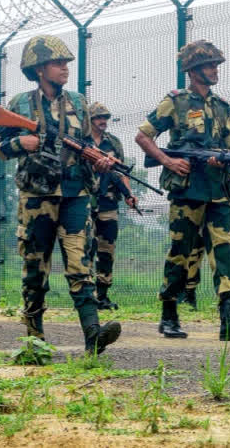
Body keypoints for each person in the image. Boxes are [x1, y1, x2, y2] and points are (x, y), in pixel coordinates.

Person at [0, 34, 121, 356]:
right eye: (58, 63)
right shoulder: (19, 105)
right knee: (36, 269)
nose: (65, 68)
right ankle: (34, 341)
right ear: (38, 69)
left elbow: (86, 144)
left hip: (75, 195)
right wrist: (20, 144)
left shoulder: (79, 103)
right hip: (37, 198)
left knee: (80, 265)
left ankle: (93, 334)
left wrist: (101, 160)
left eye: (66, 63)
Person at [136, 40, 230, 341]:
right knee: (180, 253)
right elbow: (143, 136)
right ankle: (169, 314)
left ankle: (229, 318)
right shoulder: (176, 102)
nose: (215, 70)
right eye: (209, 66)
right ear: (193, 71)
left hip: (218, 190)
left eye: (216, 65)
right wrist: (168, 160)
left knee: (224, 249)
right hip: (187, 190)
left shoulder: (221, 106)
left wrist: (228, 163)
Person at [85, 102, 137, 311]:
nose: (103, 121)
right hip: (85, 202)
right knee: (86, 248)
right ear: (89, 119)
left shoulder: (113, 143)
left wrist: (129, 195)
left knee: (107, 249)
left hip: (108, 203)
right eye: (98, 117)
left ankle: (103, 295)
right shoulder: (81, 142)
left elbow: (121, 174)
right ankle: (86, 297)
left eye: (105, 117)